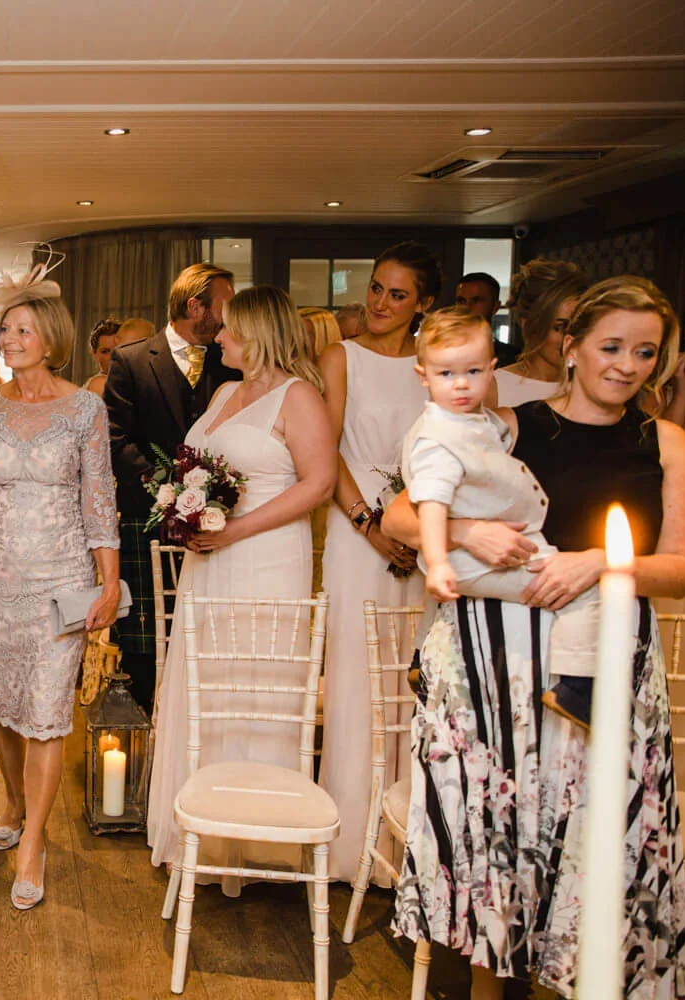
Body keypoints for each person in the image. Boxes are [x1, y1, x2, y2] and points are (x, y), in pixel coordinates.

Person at [382, 275, 685, 1000]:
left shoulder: (666, 443)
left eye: (645, 353)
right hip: (501, 660)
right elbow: (400, 515)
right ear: (571, 346)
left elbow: (679, 568)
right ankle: (494, 989)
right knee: (503, 831)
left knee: (600, 831)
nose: (626, 365)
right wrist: (465, 531)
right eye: (610, 346)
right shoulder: (508, 425)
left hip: (609, 659)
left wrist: (602, 563)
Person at [145, 286, 337, 891]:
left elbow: (320, 484)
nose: (219, 336)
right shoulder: (227, 392)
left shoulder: (299, 396)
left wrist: (237, 529)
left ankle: (254, 844)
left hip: (264, 562)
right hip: (214, 563)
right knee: (210, 683)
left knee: (254, 684)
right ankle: (202, 825)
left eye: (229, 330)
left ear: (257, 332)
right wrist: (186, 512)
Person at [0, 271, 119, 911]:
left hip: (62, 577)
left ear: (50, 339)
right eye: (5, 329)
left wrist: (109, 581)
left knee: (48, 710)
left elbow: (99, 498)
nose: (10, 339)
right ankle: (13, 797)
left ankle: (35, 841)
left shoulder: (85, 409)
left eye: (23, 329)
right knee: (1, 704)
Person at [401, 308, 595, 727]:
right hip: (477, 560)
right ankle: (581, 688)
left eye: (472, 371)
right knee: (582, 589)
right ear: (423, 376)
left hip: (481, 558)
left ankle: (421, 657)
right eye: (446, 374)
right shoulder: (438, 439)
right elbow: (431, 506)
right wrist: (436, 563)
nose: (461, 384)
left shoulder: (477, 421)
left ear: (492, 370)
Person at [315, 241, 436, 881]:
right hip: (354, 533)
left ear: (424, 305)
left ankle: (408, 851)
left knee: (414, 684)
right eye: (376, 288)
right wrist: (369, 523)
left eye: (398, 294)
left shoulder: (436, 367)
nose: (381, 303)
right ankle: (347, 846)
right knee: (358, 680)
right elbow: (325, 450)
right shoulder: (342, 357)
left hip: (424, 545)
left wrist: (420, 528)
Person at [105, 263, 239, 712]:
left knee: (209, 636)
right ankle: (149, 739)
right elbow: (114, 440)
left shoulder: (232, 363)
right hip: (146, 522)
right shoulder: (132, 360)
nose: (230, 314)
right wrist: (167, 494)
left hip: (219, 527)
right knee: (146, 644)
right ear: (195, 305)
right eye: (225, 303)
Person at [493, 258, 587, 407]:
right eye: (560, 327)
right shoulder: (494, 387)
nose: (570, 338)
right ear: (528, 324)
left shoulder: (591, 387)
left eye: (578, 328)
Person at [83, 318, 121, 396]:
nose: (112, 356)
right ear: (95, 355)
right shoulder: (100, 385)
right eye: (105, 351)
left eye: (117, 350)